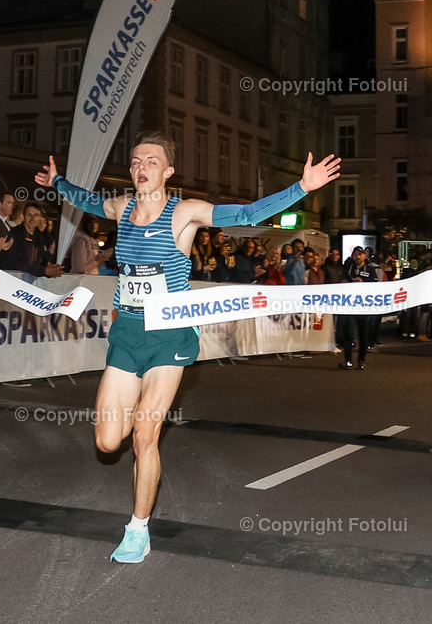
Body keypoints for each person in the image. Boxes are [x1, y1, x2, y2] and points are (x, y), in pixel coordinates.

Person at [38, 131, 340, 563]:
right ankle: (136, 504)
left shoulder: (185, 213)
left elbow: (247, 212)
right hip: (127, 334)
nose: (143, 167)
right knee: (107, 442)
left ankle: (137, 529)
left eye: (152, 161)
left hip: (171, 336)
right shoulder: (121, 208)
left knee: (145, 433)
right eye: (137, 161)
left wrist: (301, 189)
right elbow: (87, 201)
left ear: (168, 171)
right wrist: (58, 183)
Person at [0, 202, 63, 282]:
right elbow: (19, 263)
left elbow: (42, 258)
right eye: (29, 215)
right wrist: (45, 270)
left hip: (29, 281)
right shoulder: (15, 234)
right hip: (11, 280)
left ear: (41, 218)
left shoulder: (39, 236)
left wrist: (49, 266)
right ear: (24, 216)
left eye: (36, 215)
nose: (32, 218)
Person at [339, 246, 375, 369]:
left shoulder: (370, 268)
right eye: (355, 254)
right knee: (348, 334)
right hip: (350, 305)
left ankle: (361, 361)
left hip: (364, 305)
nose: (357, 256)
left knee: (363, 334)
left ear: (365, 255)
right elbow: (343, 278)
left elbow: (375, 284)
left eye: (360, 254)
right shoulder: (349, 267)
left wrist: (363, 282)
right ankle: (348, 360)